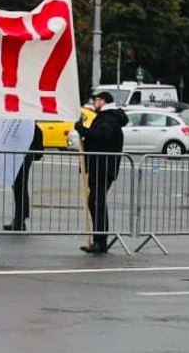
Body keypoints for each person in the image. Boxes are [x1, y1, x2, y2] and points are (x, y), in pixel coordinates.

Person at [75, 91, 128, 254]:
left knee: (96, 201)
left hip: (103, 167)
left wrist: (82, 130)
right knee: (95, 201)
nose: (94, 103)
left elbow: (102, 137)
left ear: (103, 101)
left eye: (96, 100)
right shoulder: (108, 117)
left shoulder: (108, 119)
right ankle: (99, 240)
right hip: (101, 166)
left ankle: (100, 241)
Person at [4, 122, 43, 231]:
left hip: (22, 156)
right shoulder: (26, 124)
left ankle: (20, 219)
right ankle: (20, 218)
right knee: (19, 187)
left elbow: (38, 137)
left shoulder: (27, 124)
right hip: (22, 156)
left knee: (20, 187)